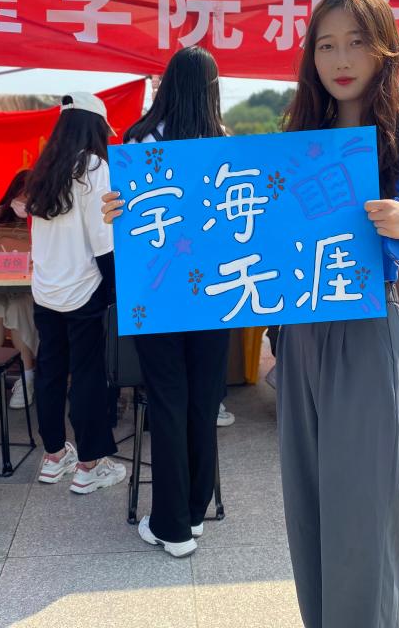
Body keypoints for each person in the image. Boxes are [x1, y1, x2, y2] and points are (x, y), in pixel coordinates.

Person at [201, 0, 399, 626]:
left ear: (383, 49)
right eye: (325, 45)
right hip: (298, 337)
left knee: (364, 516)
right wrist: (136, 216)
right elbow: (226, 227)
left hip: (369, 333)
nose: (340, 59)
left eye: (355, 42)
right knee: (309, 508)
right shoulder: (296, 140)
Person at [102, 46, 233, 559]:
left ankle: (172, 526)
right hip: (216, 293)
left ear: (167, 84)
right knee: (203, 401)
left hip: (156, 292)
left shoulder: (140, 139)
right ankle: (193, 514)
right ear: (212, 89)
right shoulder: (225, 143)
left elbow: (124, 218)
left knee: (168, 402)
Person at [29, 92, 125, 495]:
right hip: (84, 288)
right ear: (95, 127)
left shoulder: (45, 167)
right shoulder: (94, 167)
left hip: (45, 289)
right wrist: (118, 288)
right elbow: (103, 239)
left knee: (50, 372)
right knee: (87, 376)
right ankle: (89, 464)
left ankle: (54, 457)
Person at [0, 169, 37, 411]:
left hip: (28, 288)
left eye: (31, 194)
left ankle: (27, 377)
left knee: (17, 308)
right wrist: (2, 259)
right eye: (22, 193)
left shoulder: (44, 216)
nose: (25, 199)